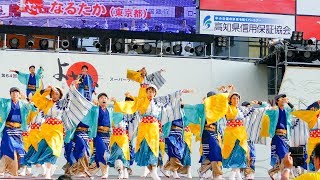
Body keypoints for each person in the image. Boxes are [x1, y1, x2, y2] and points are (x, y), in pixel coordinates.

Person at [113, 84, 192, 180]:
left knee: (154, 151)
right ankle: (151, 171)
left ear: (155, 93)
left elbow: (169, 97)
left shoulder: (158, 101)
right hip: (144, 129)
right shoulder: (141, 101)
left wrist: (181, 91)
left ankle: (154, 171)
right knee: (145, 150)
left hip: (154, 129)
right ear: (146, 92)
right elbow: (130, 105)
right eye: (149, 91)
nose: (151, 93)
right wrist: (123, 99)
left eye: (153, 92)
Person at [27, 81, 95, 179]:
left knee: (53, 150)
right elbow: (36, 99)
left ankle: (48, 172)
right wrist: (46, 90)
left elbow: (70, 96)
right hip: (45, 130)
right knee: (41, 148)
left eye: (57, 94)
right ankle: (46, 169)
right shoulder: (46, 102)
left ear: (60, 95)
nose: (55, 95)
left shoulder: (62, 103)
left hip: (57, 130)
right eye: (53, 93)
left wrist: (72, 85)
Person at [0, 87, 36, 177]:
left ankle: (11, 170)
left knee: (20, 151)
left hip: (18, 130)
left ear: (19, 95)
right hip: (7, 129)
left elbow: (34, 108)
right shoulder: (5, 102)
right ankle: (4, 169)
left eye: (16, 93)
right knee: (9, 148)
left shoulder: (23, 104)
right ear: (10, 94)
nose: (15, 95)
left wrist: (28, 100)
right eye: (13, 93)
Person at [266, 94, 295, 179]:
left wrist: (288, 102)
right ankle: (283, 174)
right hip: (277, 136)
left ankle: (275, 172)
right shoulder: (274, 110)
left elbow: (294, 110)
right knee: (283, 156)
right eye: (282, 99)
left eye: (285, 99)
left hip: (285, 137)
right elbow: (266, 110)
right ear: (278, 100)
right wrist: (269, 106)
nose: (284, 100)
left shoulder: (287, 111)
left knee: (282, 156)